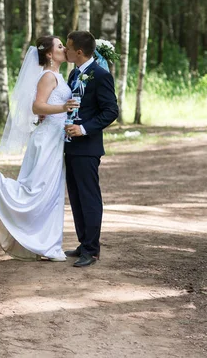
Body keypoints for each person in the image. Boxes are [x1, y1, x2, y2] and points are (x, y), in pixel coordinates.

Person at [0, 35, 79, 262]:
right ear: (50, 54)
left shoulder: (59, 76)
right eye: (60, 46)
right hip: (47, 139)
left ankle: (46, 243)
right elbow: (37, 106)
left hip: (55, 138)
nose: (64, 49)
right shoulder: (48, 76)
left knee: (50, 193)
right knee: (37, 188)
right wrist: (63, 106)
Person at [62, 30, 119, 267]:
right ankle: (84, 241)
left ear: (78, 52)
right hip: (70, 146)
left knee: (89, 197)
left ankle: (92, 250)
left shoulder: (100, 75)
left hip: (87, 147)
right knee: (75, 197)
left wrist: (84, 129)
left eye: (67, 47)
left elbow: (111, 111)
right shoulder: (75, 72)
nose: (64, 50)